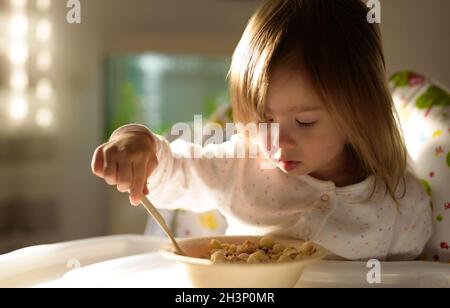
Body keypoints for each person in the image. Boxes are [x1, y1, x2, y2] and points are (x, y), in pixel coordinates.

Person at [91, 0, 432, 260]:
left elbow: (416, 277)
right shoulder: (243, 164)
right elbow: (180, 169)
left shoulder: (401, 203)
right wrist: (143, 148)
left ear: (359, 110)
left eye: (305, 122)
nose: (277, 141)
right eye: (264, 120)